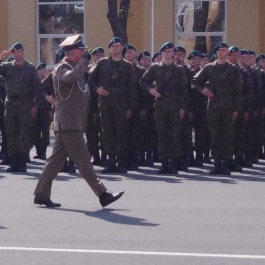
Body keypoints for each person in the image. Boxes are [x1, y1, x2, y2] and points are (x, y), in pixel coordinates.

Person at [32, 35, 124, 209]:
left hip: (72, 122)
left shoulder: (78, 67)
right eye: (81, 51)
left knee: (54, 163)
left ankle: (41, 194)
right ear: (73, 52)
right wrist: (84, 63)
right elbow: (69, 78)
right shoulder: (62, 67)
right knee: (84, 161)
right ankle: (103, 194)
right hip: (68, 123)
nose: (84, 53)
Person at [0, 42, 40, 172]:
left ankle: (23, 161)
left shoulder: (30, 68)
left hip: (25, 104)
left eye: (19, 51)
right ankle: (13, 161)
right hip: (11, 104)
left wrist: (35, 105)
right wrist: (0, 59)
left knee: (25, 134)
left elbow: (37, 88)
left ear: (23, 52)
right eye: (14, 52)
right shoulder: (7, 67)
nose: (17, 54)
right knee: (10, 133)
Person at [191, 43, 242, 175]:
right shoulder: (209, 68)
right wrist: (203, 91)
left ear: (227, 53)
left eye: (223, 50)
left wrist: (236, 109)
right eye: (218, 50)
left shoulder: (233, 69)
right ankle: (216, 164)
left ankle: (226, 165)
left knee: (227, 136)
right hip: (213, 106)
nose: (220, 52)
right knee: (215, 136)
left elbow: (238, 91)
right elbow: (195, 81)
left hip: (228, 107)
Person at [140, 42, 189, 175]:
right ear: (161, 53)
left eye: (170, 51)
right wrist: (151, 90)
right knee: (162, 136)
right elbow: (143, 82)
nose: (167, 53)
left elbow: (184, 90)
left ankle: (173, 164)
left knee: (174, 136)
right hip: (160, 107)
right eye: (165, 51)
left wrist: (182, 108)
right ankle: (164, 164)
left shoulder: (178, 70)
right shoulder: (155, 68)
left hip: (174, 107)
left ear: (173, 53)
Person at [89, 37, 134, 173]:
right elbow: (90, 80)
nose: (115, 48)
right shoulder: (102, 63)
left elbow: (132, 88)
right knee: (107, 134)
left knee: (121, 134)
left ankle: (121, 163)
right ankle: (110, 162)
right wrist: (97, 89)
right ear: (110, 48)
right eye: (113, 46)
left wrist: (131, 107)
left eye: (117, 46)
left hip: (121, 105)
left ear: (121, 48)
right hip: (105, 104)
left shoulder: (127, 66)